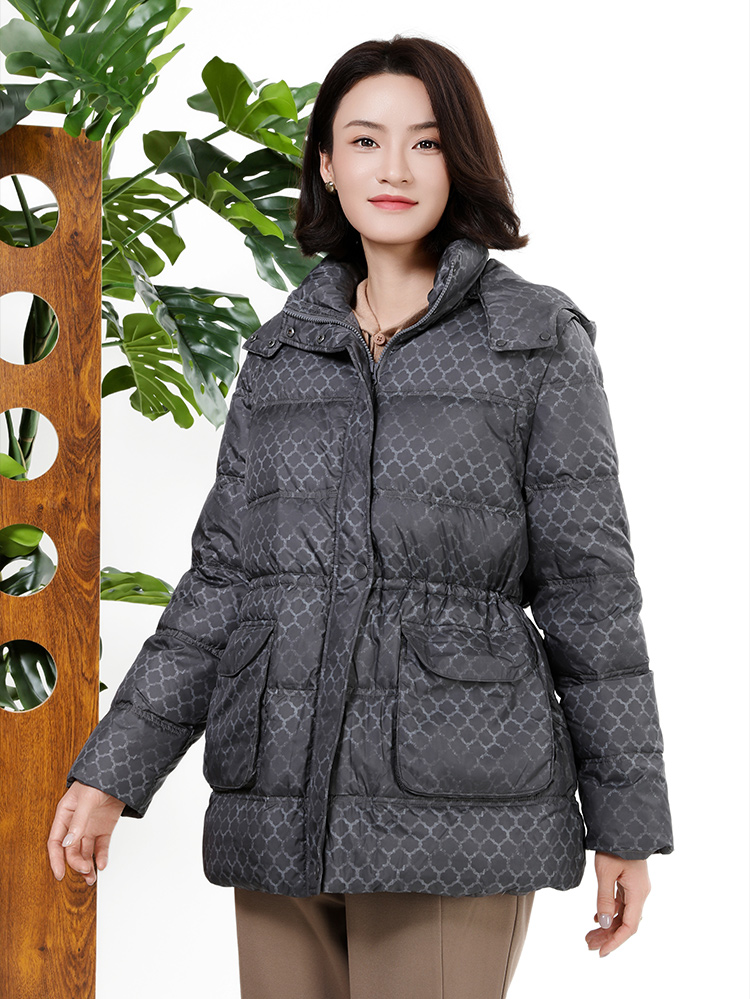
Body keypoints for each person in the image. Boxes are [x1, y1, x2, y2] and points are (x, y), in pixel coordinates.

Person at [47, 34, 674, 999]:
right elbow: (222, 582)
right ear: (328, 166)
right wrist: (112, 771)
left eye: (425, 143)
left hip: (454, 809)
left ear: (460, 161)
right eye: (366, 141)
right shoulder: (282, 354)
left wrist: (627, 823)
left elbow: (590, 591)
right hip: (278, 804)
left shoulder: (534, 342)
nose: (394, 169)